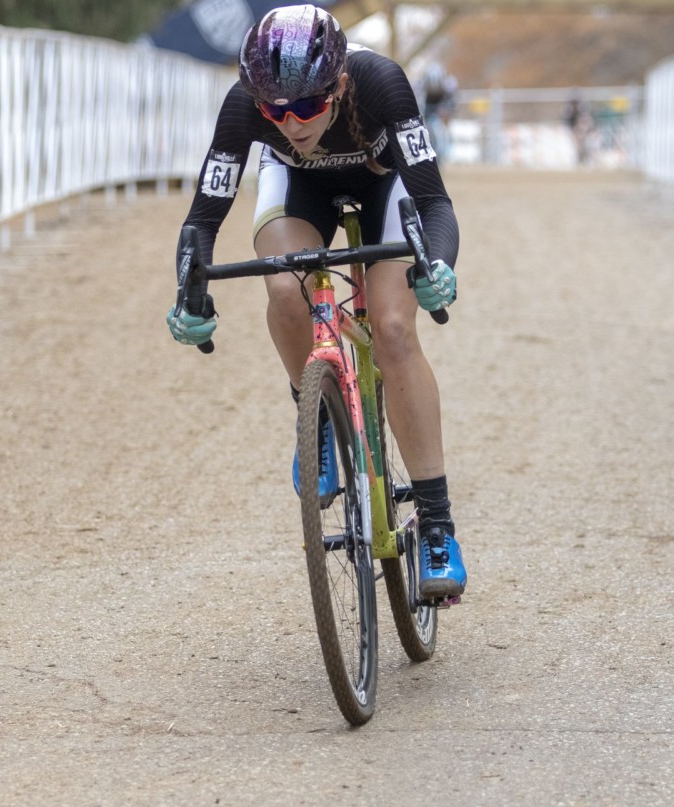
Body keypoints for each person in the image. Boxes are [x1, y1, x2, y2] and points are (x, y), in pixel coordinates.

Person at [165, 4, 466, 602]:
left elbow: (434, 202)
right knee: (284, 284)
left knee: (393, 330)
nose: (291, 122)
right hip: (300, 192)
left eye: (307, 106)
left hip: (386, 187)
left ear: (341, 83)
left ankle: (435, 523)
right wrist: (189, 290)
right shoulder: (245, 106)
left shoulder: (380, 82)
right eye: (275, 109)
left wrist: (438, 265)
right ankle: (321, 415)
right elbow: (203, 217)